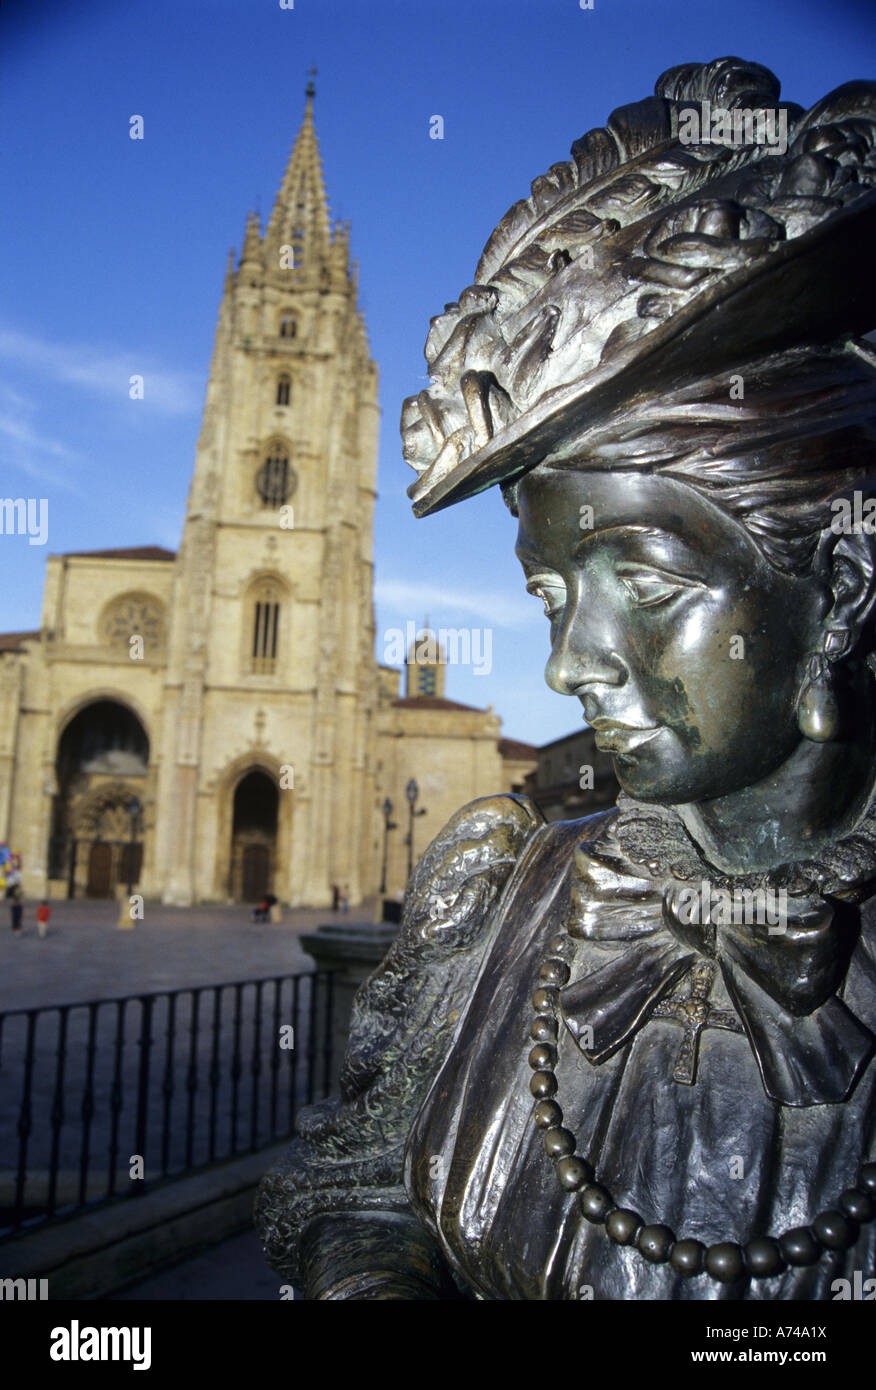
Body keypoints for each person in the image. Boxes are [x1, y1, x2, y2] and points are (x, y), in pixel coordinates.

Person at [256, 57, 876, 1300]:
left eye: (642, 577)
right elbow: (364, 1188)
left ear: (844, 587)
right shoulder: (499, 900)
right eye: (548, 592)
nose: (565, 661)